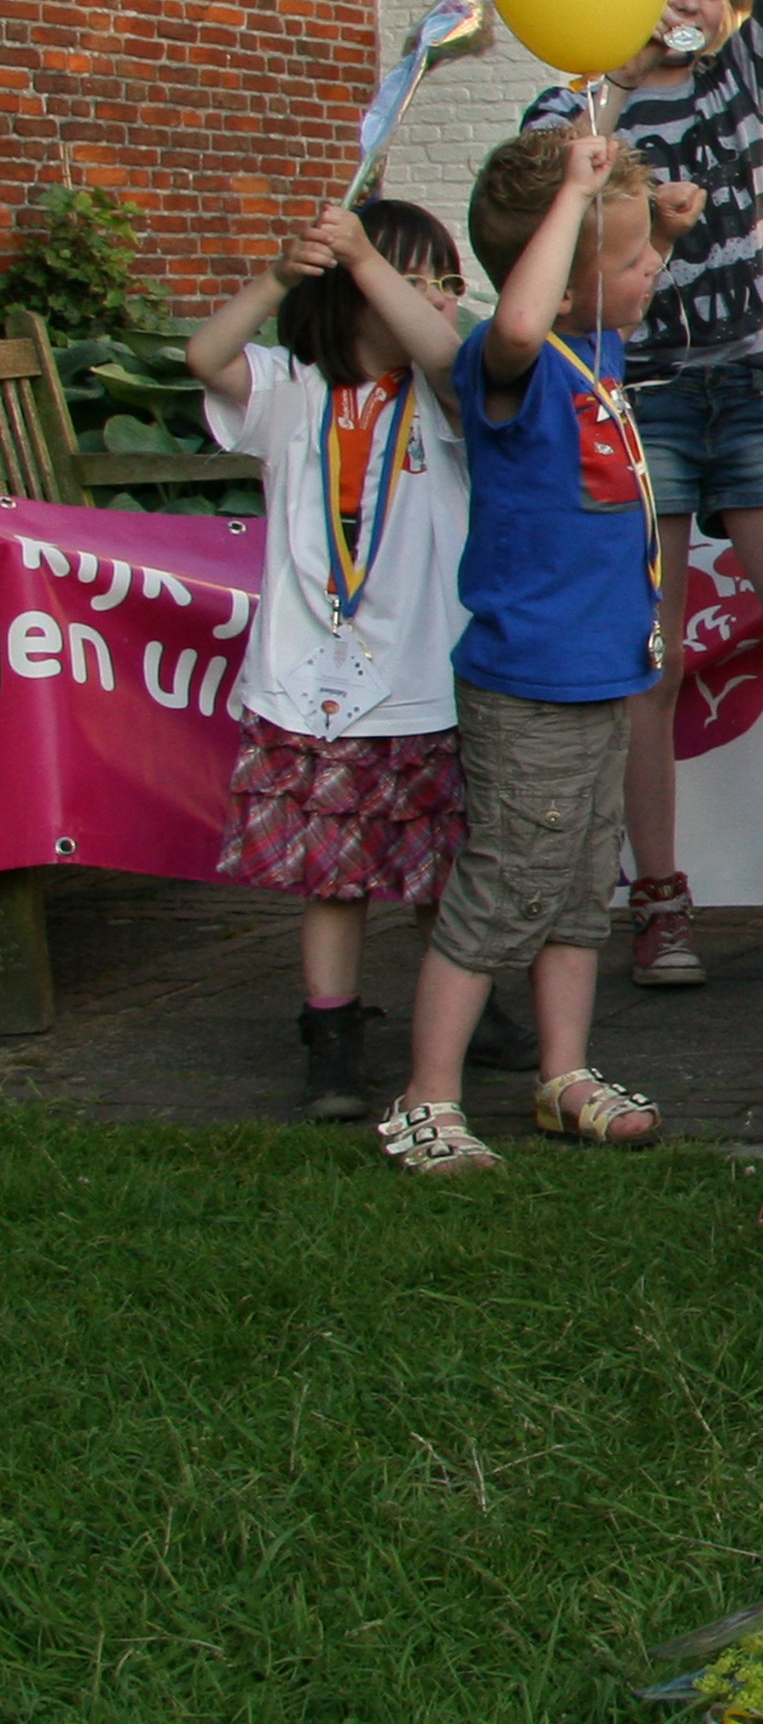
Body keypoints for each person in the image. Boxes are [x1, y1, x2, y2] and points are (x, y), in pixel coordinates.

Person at [522, 0, 763, 989]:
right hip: (638, 397)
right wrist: (612, 81)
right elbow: (539, 212)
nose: (694, 6)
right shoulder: (575, 101)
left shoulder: (735, 78)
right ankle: (658, 896)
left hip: (747, 391)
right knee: (649, 661)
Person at [371, 125, 691, 1173]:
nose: (653, 271)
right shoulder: (511, 366)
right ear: (558, 282)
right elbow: (515, 316)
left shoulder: (591, 345)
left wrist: (654, 228)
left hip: (599, 679)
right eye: (634, 258)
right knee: (504, 885)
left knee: (579, 889)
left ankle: (564, 1075)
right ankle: (427, 1096)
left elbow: (583, 285)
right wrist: (575, 204)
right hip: (532, 689)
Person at [190, 199, 485, 1123]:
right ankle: (331, 1031)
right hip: (310, 686)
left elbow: (450, 359)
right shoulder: (291, 388)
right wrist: (284, 273)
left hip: (426, 679)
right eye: (412, 279)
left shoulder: (445, 397)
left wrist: (379, 271)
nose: (439, 298)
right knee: (333, 875)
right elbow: (205, 356)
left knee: (449, 866)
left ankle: (469, 1007)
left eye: (444, 282)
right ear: (350, 290)